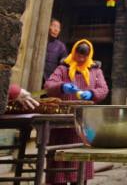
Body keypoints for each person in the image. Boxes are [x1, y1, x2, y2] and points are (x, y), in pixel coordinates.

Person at [44, 39, 109, 184]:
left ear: (89, 55)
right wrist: (62, 87)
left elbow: (103, 89)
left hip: (83, 122)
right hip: (63, 121)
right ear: (73, 53)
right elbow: (49, 85)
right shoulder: (63, 69)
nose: (80, 59)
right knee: (59, 160)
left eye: (83, 57)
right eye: (78, 56)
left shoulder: (95, 70)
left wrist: (91, 94)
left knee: (81, 163)